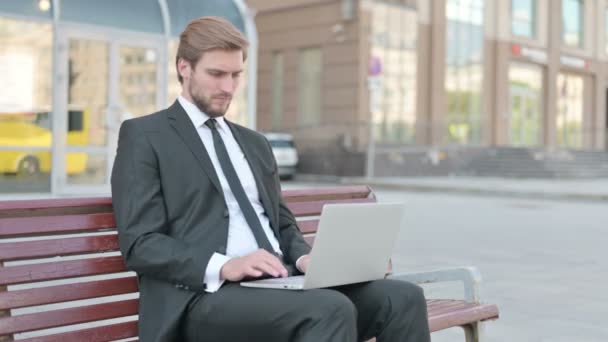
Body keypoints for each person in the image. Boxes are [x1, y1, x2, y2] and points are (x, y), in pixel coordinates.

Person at [111, 16, 431, 342]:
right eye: (216, 74)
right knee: (329, 309)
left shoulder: (254, 143)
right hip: (203, 297)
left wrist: (305, 257)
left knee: (402, 299)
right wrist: (225, 265)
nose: (228, 87)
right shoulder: (146, 136)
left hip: (278, 283)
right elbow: (140, 243)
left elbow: (281, 222)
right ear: (184, 67)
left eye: (236, 75)